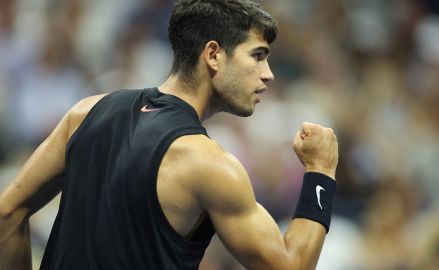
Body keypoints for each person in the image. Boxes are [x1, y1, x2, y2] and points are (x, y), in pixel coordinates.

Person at [0, 0, 339, 269]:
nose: (268, 75)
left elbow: (8, 213)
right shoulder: (209, 164)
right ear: (213, 55)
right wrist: (320, 172)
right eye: (258, 56)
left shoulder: (85, 113)